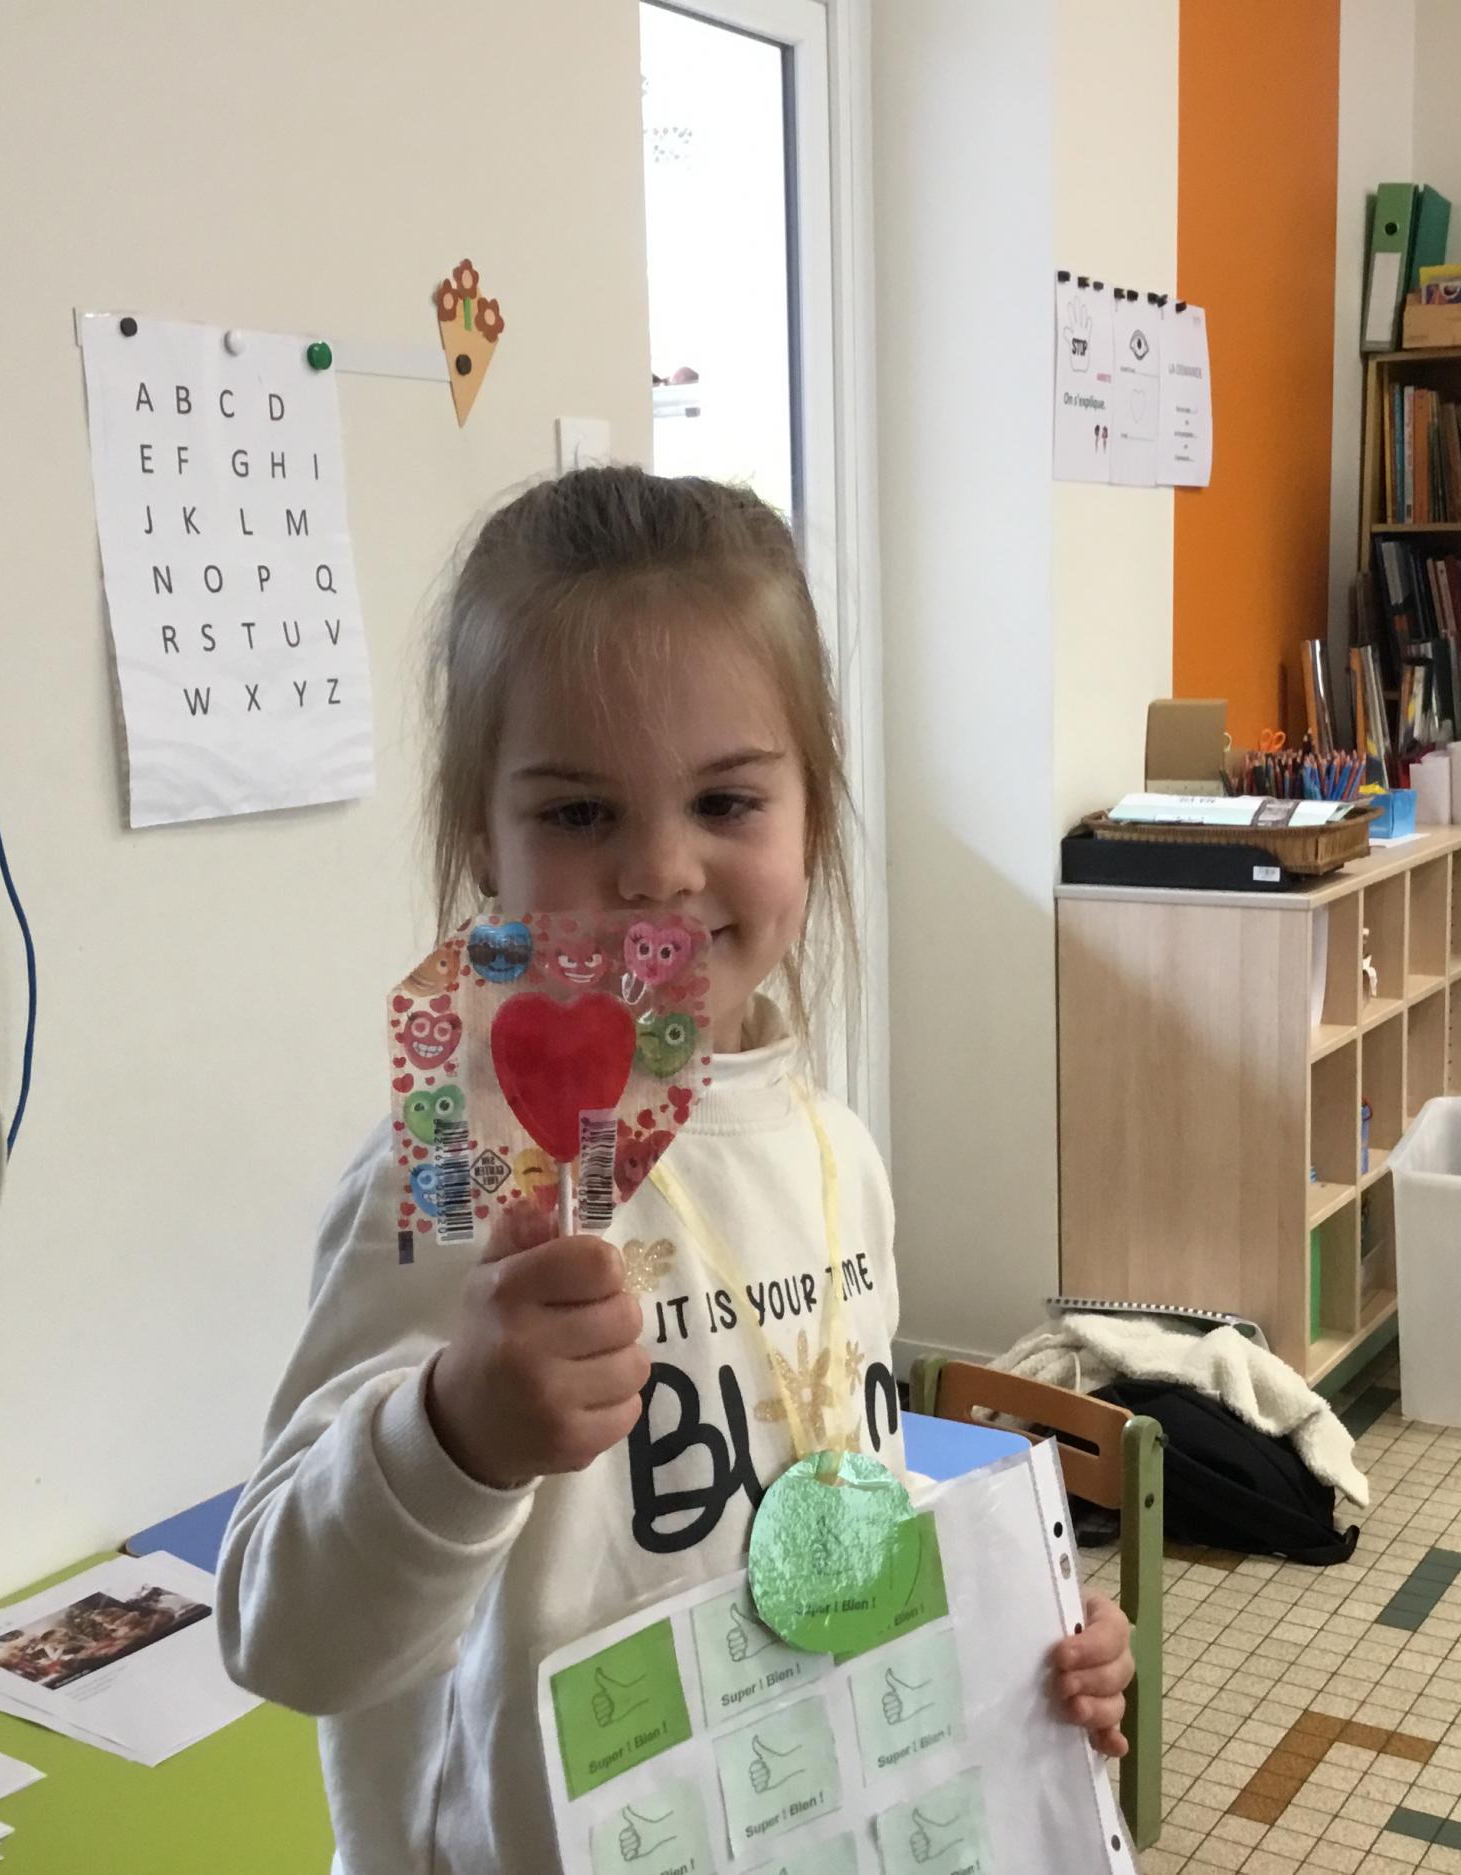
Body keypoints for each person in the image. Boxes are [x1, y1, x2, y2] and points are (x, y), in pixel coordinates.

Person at [217, 468, 1136, 1872]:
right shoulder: (455, 1173)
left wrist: (1012, 1634)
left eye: (725, 800)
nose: (658, 869)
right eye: (580, 814)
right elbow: (285, 1634)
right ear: (481, 836)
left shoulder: (834, 1155)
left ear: (810, 816)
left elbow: (816, 1502)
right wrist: (456, 1438)